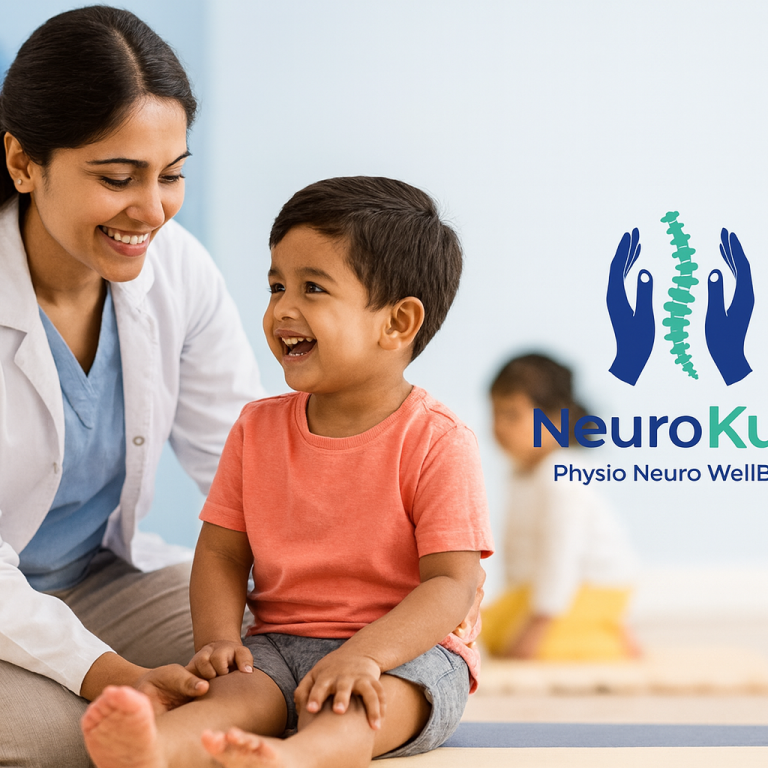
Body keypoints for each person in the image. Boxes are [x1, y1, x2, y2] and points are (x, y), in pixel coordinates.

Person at [79, 176, 494, 768]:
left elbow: (452, 585)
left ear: (398, 323)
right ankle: (158, 746)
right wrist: (220, 640)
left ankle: (298, 758)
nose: (283, 310)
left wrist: (366, 656)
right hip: (276, 643)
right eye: (276, 286)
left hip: (404, 654)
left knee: (357, 711)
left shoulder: (437, 441)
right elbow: (223, 553)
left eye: (313, 288)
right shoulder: (256, 429)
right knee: (235, 692)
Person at [0, 8, 264, 767]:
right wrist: (113, 676)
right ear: (23, 163)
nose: (151, 211)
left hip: (99, 580)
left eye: (171, 175)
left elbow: (245, 469)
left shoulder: (178, 269)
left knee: (290, 660)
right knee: (54, 734)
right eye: (118, 178)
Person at [481, 353, 639, 660]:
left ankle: (613, 640)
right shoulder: (520, 473)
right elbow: (520, 554)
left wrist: (536, 625)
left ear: (555, 420)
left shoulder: (560, 477)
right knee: (488, 632)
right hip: (548, 591)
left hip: (591, 588)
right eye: (496, 413)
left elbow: (561, 556)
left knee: (540, 650)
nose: (499, 426)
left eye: (512, 414)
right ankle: (594, 628)